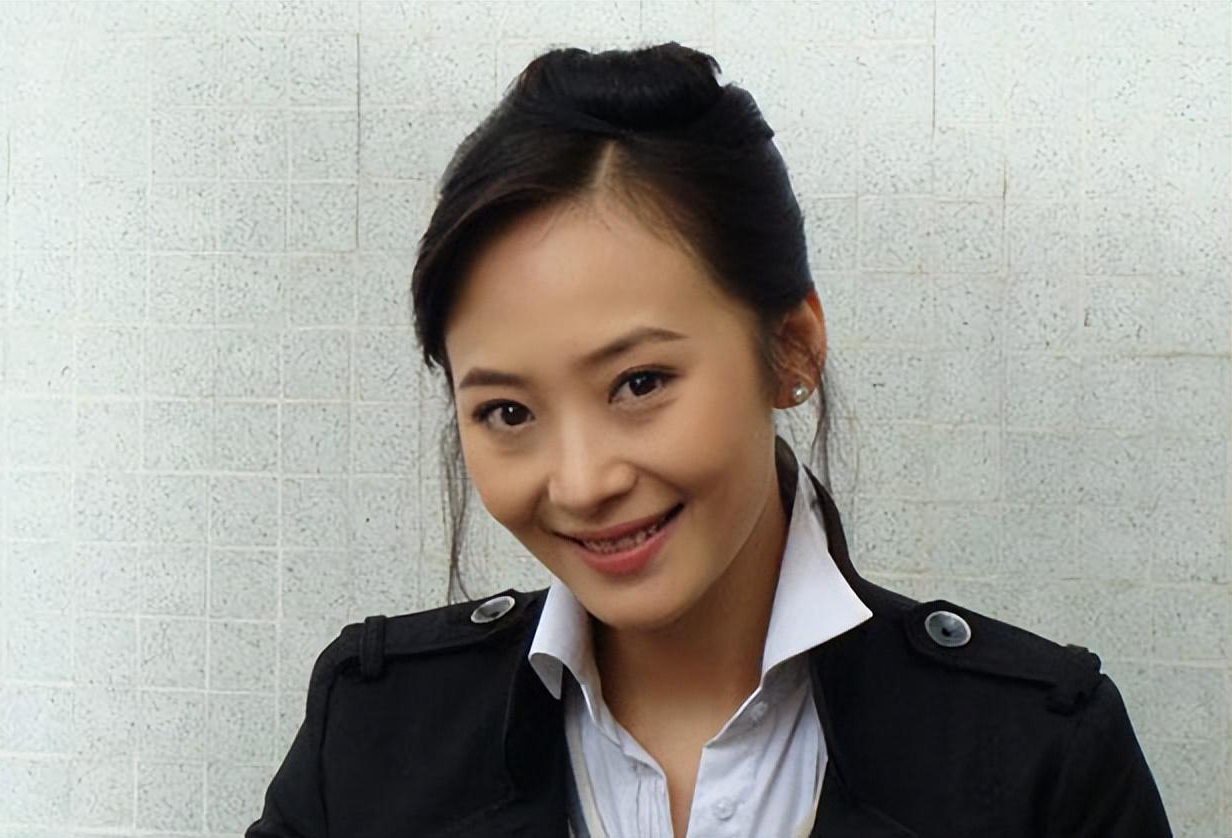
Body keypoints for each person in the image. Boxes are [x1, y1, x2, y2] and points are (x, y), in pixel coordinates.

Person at [246, 42, 1172, 838]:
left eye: (640, 383)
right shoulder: (369, 738)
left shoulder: (1041, 761)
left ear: (791, 348)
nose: (582, 482)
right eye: (508, 413)